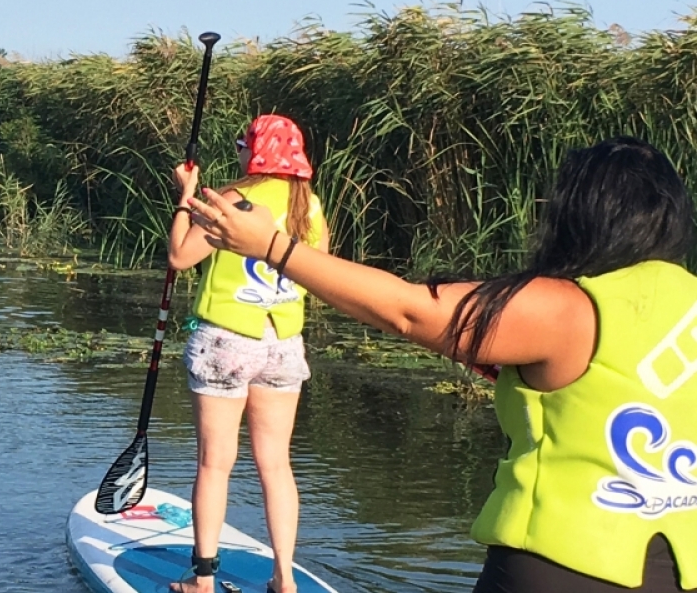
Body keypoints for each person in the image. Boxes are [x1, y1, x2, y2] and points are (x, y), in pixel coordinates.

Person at [188, 136, 694, 593]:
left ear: (582, 214)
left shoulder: (566, 308)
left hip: (556, 566)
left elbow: (408, 312)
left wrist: (271, 246)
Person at [166, 114, 328, 593]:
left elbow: (179, 256)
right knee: (276, 465)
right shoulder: (309, 205)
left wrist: (186, 196)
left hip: (226, 340)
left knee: (214, 463)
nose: (238, 151)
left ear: (254, 153)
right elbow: (319, 268)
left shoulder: (232, 199)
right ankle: (284, 580)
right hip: (284, 344)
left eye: (242, 144)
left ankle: (203, 582)